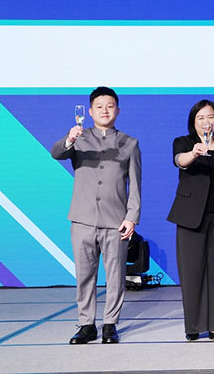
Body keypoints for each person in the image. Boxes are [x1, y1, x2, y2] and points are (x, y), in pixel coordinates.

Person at [50, 86, 141, 345]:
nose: (105, 110)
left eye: (110, 106)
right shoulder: (79, 138)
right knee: (84, 275)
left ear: (118, 110)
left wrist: (132, 216)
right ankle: (86, 325)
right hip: (83, 219)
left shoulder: (130, 143)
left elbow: (135, 184)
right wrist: (69, 139)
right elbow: (56, 153)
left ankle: (110, 324)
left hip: (116, 220)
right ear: (90, 111)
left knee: (115, 276)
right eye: (99, 106)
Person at [168, 100, 214, 341]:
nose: (206, 122)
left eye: (210, 117)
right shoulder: (183, 143)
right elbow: (179, 160)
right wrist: (194, 153)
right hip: (190, 217)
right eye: (200, 118)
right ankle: (193, 325)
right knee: (191, 271)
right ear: (193, 122)